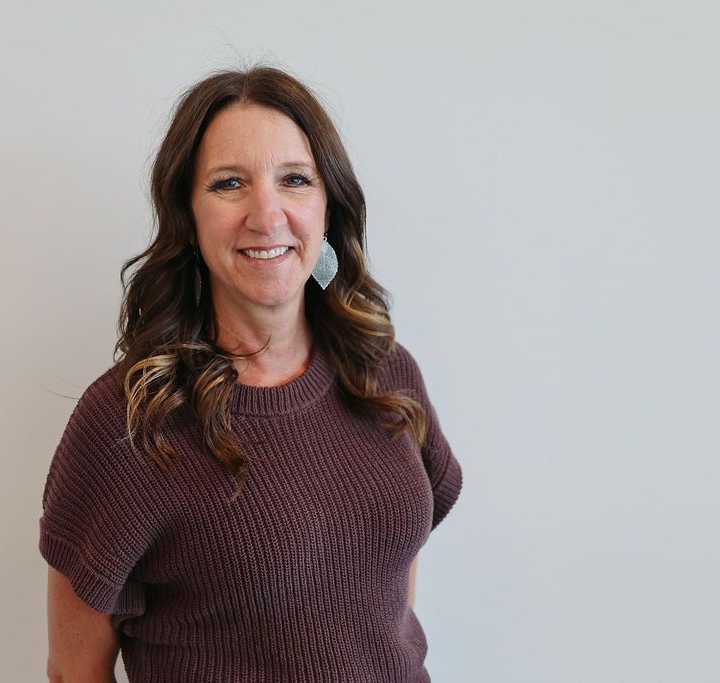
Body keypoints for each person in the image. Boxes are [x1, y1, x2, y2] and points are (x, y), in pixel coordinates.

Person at [39, 64, 464, 683]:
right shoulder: (130, 424)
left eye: (295, 179)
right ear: (188, 217)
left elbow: (387, 595)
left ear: (328, 206)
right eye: (229, 183)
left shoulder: (383, 371)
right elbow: (75, 672)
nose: (267, 215)